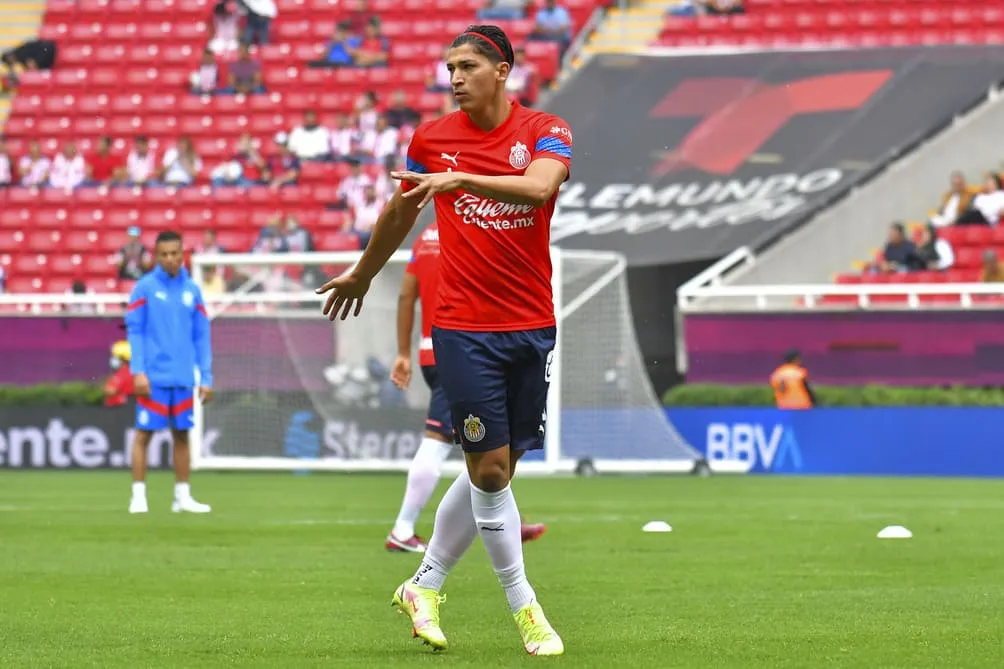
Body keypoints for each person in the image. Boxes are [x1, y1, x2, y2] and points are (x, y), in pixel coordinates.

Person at [315, 24, 571, 656]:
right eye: (449, 67)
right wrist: (363, 272)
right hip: (461, 328)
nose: (454, 78)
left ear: (503, 70)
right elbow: (400, 212)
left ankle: (423, 584)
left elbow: (541, 187)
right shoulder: (431, 140)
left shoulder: (545, 129)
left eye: (467, 66)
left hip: (531, 323)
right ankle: (526, 608)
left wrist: (461, 183)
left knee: (499, 468)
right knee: (486, 468)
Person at [386, 221, 547, 553]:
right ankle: (403, 528)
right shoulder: (474, 232)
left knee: (492, 442)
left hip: (435, 348)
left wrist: (403, 351)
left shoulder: (424, 239)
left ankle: (508, 519)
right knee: (441, 440)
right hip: (466, 348)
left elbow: (406, 295)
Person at [125, 230, 214, 515]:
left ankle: (182, 497)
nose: (170, 259)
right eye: (164, 254)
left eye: (175, 253)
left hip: (183, 377)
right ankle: (138, 496)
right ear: (156, 256)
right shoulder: (144, 288)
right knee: (144, 435)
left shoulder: (193, 290)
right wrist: (138, 371)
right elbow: (135, 331)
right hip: (153, 377)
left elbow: (202, 335)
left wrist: (206, 376)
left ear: (183, 254)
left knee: (182, 436)